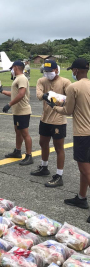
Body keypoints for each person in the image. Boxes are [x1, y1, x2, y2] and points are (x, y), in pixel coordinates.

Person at [53, 58, 90, 222]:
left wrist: (53, 104)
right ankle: (81, 197)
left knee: (85, 169)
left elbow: (67, 110)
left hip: (82, 133)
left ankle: (82, 198)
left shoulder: (74, 87)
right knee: (85, 169)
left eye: (73, 70)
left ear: (76, 70)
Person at [31, 60, 71, 187]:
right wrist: (44, 96)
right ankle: (44, 167)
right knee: (43, 143)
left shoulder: (65, 82)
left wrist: (59, 99)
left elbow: (70, 98)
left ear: (56, 70)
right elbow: (38, 94)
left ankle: (59, 175)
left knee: (59, 147)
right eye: (45, 71)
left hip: (59, 120)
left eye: (50, 71)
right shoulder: (41, 81)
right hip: (45, 119)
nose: (48, 73)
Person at [0, 60, 33, 165]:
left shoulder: (22, 78)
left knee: (24, 133)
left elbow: (21, 94)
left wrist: (9, 104)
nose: (11, 71)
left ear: (15, 67)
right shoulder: (18, 79)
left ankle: (29, 156)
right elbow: (15, 94)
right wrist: (1, 91)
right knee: (18, 132)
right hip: (18, 111)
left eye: (12, 69)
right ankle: (18, 151)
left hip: (23, 111)